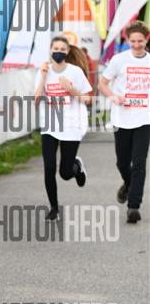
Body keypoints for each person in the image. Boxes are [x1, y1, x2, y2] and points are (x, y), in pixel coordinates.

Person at [34, 35, 93, 221]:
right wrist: (43, 78)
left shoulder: (75, 72)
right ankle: (54, 209)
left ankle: (76, 166)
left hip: (71, 125)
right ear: (50, 50)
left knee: (65, 173)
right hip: (50, 126)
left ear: (67, 52)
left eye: (62, 49)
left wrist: (70, 89)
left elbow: (88, 99)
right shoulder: (43, 71)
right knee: (49, 167)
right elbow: (36, 101)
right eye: (55, 49)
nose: (58, 52)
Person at [98, 20, 150, 224]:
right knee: (122, 162)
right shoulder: (119, 60)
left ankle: (133, 206)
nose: (136, 45)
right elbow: (102, 84)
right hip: (121, 118)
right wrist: (113, 96)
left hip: (144, 119)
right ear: (128, 40)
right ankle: (128, 185)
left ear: (146, 40)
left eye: (140, 41)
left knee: (139, 163)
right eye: (133, 41)